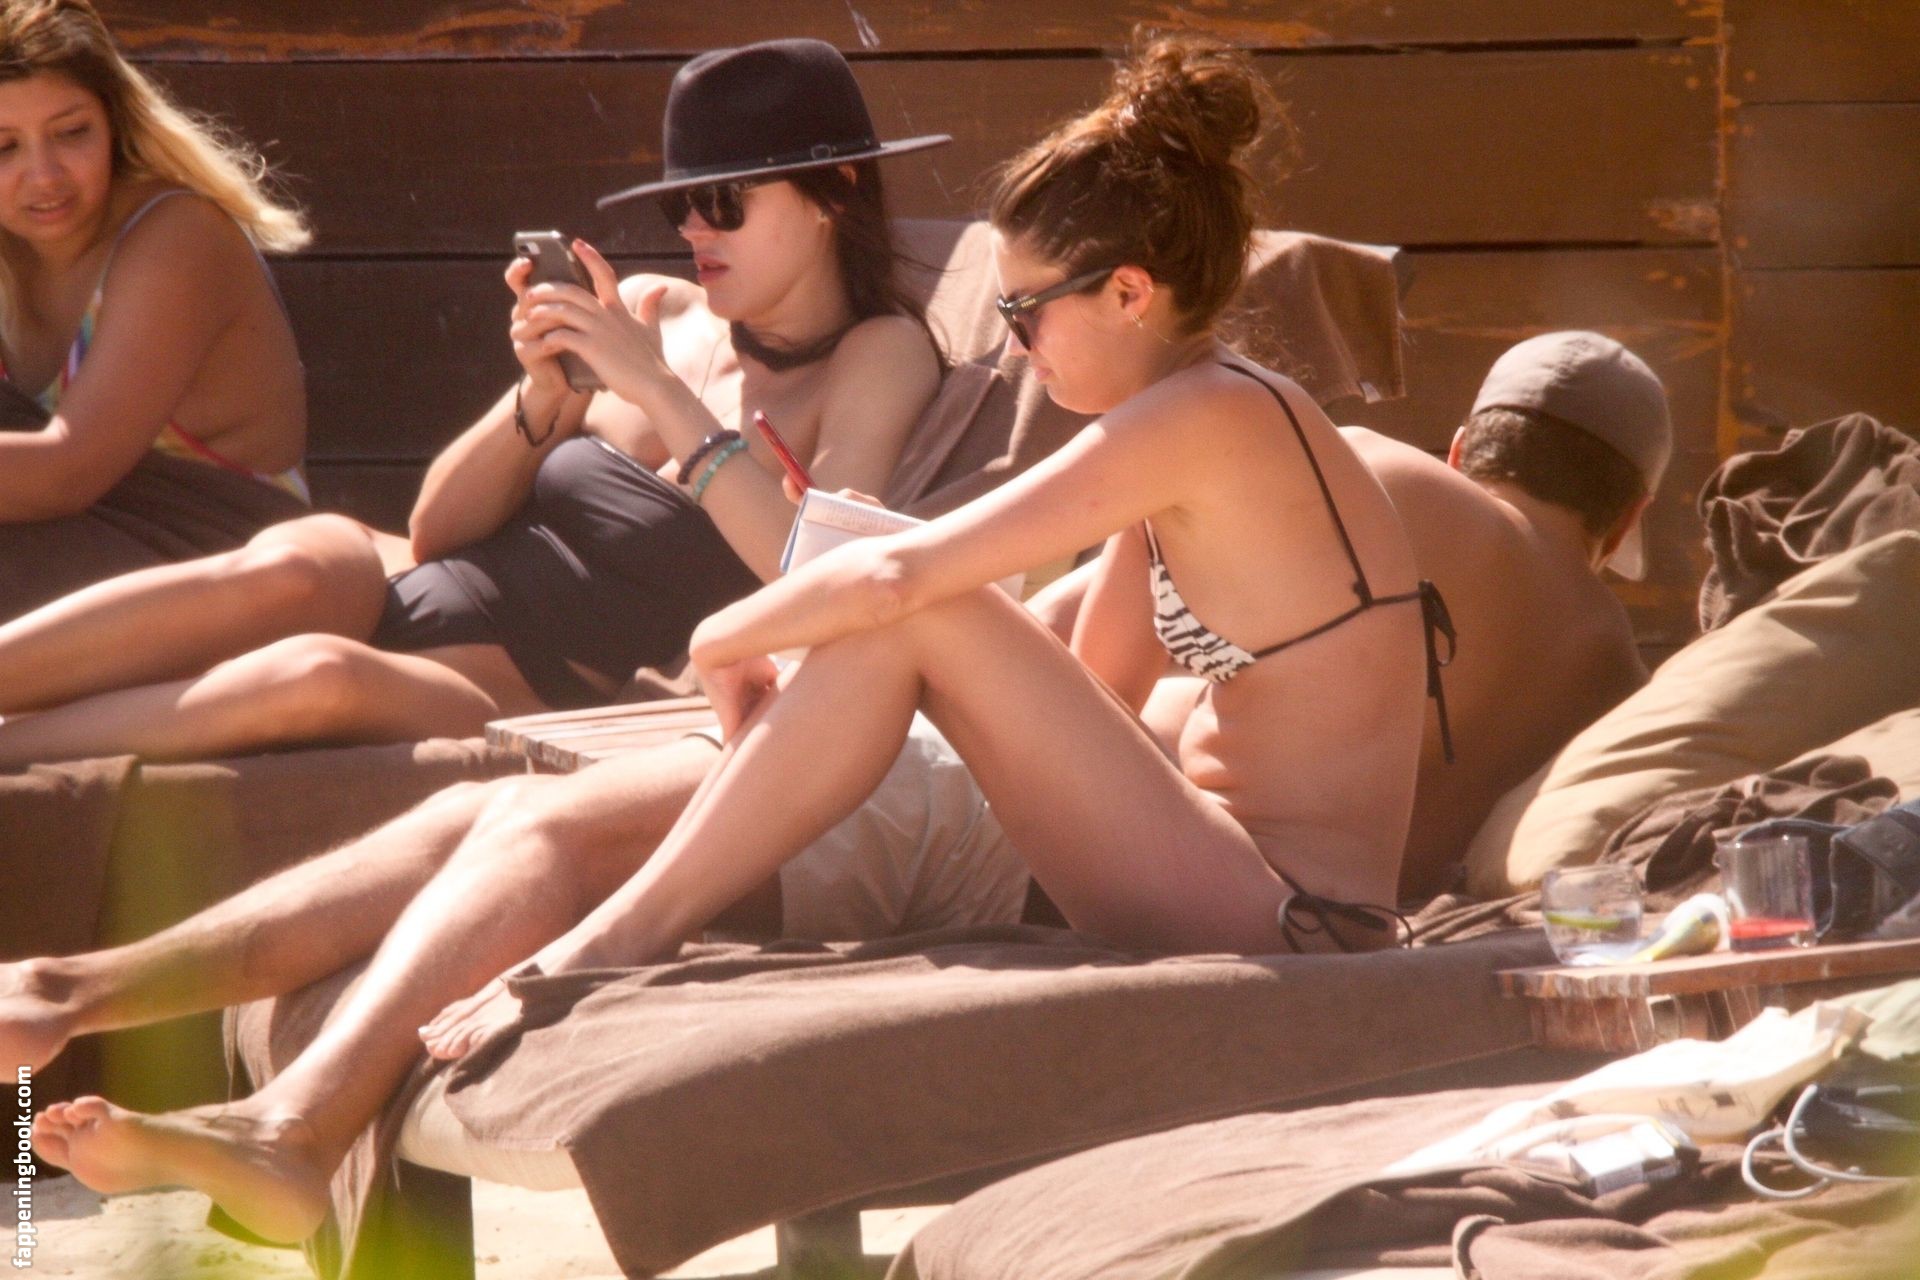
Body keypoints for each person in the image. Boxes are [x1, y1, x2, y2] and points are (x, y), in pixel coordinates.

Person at [25, 33, 1458, 1240]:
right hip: (1177, 858)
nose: (1015, 341)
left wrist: (734, 639)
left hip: (1286, 914)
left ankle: (610, 940)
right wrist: (810, 725)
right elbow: (1079, 689)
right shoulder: (1180, 442)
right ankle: (115, 1020)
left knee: (909, 610)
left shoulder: (1206, 420)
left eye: (1027, 311)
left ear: (1129, 294)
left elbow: (905, 577)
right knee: (527, 806)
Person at [0, 37, 947, 765]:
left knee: (317, 676)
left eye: (726, 202)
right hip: (409, 582)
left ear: (835, 189)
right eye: (680, 205)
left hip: (517, 685)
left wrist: (657, 392)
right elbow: (435, 530)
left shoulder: (876, 354)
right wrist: (540, 398)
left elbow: (821, 573)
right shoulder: (653, 311)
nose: (697, 228)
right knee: (302, 560)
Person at [1056, 330, 1667, 898]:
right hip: (1352, 915)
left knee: (1172, 698)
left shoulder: (1366, 474)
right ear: (1626, 521)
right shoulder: (1626, 684)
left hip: (1167, 863)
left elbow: (1058, 625)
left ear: (1458, 450)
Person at [0, 0, 313, 621]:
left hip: (222, 568)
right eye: (4, 146)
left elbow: (69, 472)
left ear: (115, 123)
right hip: (63, 562)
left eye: (72, 133)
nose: (45, 175)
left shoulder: (177, 236)